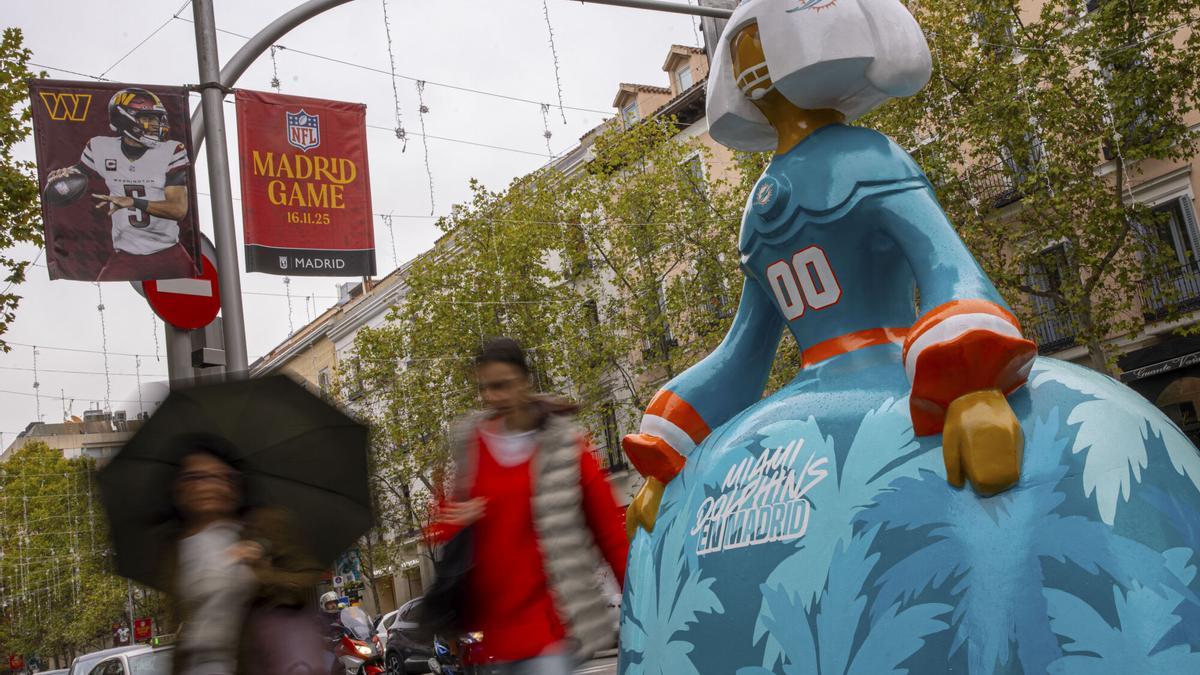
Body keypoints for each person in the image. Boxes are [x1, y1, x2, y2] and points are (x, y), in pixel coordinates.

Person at [429, 337, 629, 674]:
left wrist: (640, 601)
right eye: (485, 388)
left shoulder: (566, 446)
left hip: (551, 627)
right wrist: (455, 522)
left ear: (524, 382)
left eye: (502, 386)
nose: (492, 397)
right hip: (491, 635)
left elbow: (609, 533)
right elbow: (447, 529)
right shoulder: (472, 445)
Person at [169, 446, 324, 675]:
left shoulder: (266, 527)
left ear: (234, 485)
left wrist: (261, 571)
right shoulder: (178, 550)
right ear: (181, 489)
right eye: (195, 477)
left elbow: (307, 584)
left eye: (220, 477)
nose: (208, 486)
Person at [45, 87, 196, 280]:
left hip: (167, 250)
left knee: (192, 289)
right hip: (124, 253)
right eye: (147, 118)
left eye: (156, 119)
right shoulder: (100, 147)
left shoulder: (171, 150)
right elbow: (76, 175)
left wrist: (133, 202)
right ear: (124, 118)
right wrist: (62, 177)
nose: (154, 125)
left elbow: (178, 209)